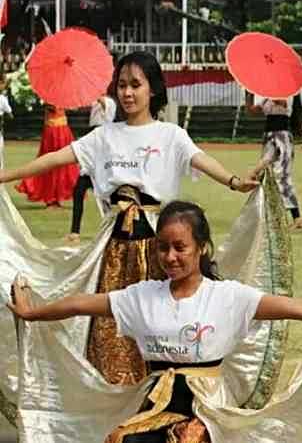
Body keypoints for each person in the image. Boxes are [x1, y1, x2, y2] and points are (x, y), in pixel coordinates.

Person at [7, 200, 302, 442]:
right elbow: (83, 304)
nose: (170, 256)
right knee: (122, 439)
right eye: (163, 248)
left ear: (201, 248)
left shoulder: (227, 297)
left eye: (180, 247)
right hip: (155, 399)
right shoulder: (142, 296)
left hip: (207, 406)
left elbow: (293, 307)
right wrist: (32, 312)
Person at [0, 51, 262, 387]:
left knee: (160, 325)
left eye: (135, 85)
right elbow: (54, 159)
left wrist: (235, 182)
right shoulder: (104, 137)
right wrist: (7, 176)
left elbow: (202, 160)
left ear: (152, 89)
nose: (127, 92)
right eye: (121, 85)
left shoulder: (171, 135)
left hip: (160, 248)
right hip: (113, 250)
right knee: (109, 326)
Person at [65, 94, 118, 244]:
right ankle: (74, 232)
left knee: (108, 198)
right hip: (93, 145)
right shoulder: (95, 103)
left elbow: (107, 110)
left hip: (105, 152)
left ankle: (113, 229)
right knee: (78, 191)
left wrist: (96, 94)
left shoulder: (110, 103)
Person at [15, 105, 80, 208]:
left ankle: (57, 197)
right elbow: (52, 108)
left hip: (62, 129)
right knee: (50, 163)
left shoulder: (61, 97)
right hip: (53, 130)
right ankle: (51, 198)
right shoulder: (50, 96)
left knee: (65, 163)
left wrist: (67, 105)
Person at [256, 94, 302, 229]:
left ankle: (297, 217)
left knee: (282, 175)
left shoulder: (287, 91)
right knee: (266, 174)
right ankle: (275, 217)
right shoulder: (266, 93)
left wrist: (269, 94)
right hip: (269, 134)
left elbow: (283, 103)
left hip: (282, 134)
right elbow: (253, 110)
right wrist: (248, 95)